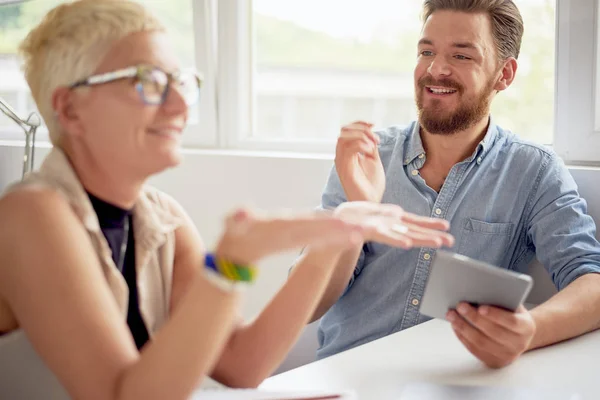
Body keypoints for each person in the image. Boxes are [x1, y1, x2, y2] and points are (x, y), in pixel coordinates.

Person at [0, 1, 455, 399]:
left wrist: (338, 235)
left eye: (180, 81)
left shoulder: (162, 218)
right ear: (71, 109)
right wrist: (232, 259)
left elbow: (240, 365)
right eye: (149, 81)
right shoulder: (32, 213)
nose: (181, 105)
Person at [311, 0, 600, 368]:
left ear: (504, 75)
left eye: (461, 56)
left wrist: (528, 330)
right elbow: (308, 305)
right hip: (345, 378)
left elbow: (592, 283)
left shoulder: (533, 171)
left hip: (453, 384)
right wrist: (355, 214)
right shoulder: (366, 158)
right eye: (426, 51)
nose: (436, 69)